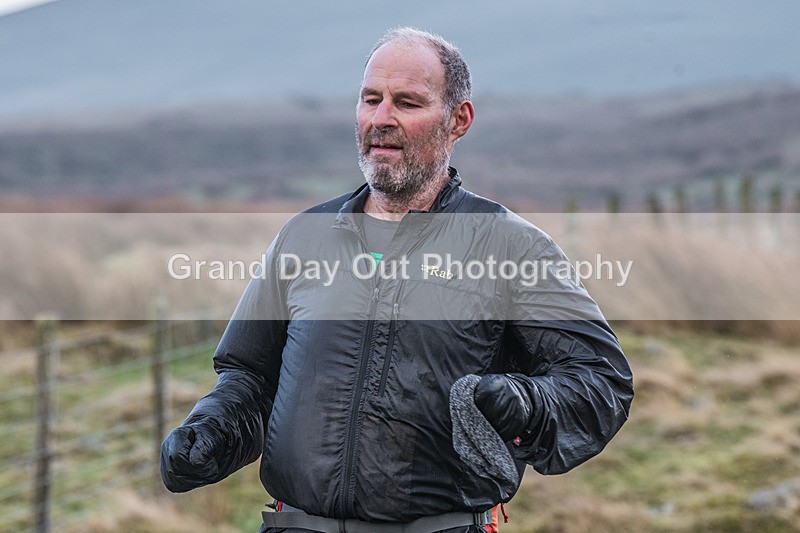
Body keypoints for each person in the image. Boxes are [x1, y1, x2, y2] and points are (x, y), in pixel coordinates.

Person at [161, 27, 634, 533]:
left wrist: (525, 406)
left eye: (407, 103)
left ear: (459, 120)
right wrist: (212, 432)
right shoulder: (304, 237)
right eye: (371, 99)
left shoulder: (510, 247)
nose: (381, 118)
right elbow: (251, 377)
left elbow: (600, 385)